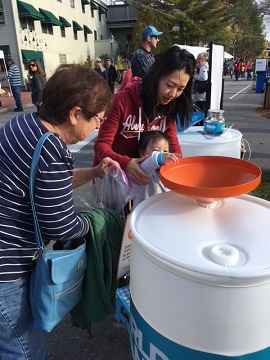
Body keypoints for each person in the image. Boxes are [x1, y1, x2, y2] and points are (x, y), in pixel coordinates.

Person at [0, 64, 118, 359]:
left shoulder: (24, 125)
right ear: (75, 114)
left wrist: (93, 173)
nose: (97, 129)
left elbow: (42, 181)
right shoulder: (53, 147)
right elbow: (61, 226)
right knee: (23, 349)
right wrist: (95, 225)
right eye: (97, 121)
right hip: (8, 270)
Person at [93, 45, 196, 186]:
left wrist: (176, 167)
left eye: (180, 89)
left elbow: (173, 145)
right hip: (113, 180)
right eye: (170, 85)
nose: (173, 94)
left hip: (143, 182)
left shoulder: (168, 109)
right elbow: (101, 146)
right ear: (157, 76)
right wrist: (125, 164)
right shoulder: (121, 101)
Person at [193, 51, 209, 117]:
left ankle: (202, 118)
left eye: (199, 58)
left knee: (200, 104)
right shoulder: (204, 66)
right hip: (202, 89)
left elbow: (204, 77)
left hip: (201, 89)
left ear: (203, 59)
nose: (197, 60)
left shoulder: (203, 67)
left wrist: (195, 75)